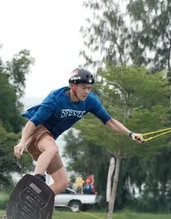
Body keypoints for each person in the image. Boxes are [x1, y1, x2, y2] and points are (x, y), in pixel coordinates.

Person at [13, 68, 144, 196]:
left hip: (47, 143)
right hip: (36, 131)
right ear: (73, 86)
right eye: (83, 87)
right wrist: (21, 142)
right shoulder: (56, 98)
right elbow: (33, 122)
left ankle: (33, 201)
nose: (86, 91)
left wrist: (131, 134)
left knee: (62, 183)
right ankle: (35, 182)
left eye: (89, 88)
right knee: (52, 148)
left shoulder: (90, 101)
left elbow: (109, 122)